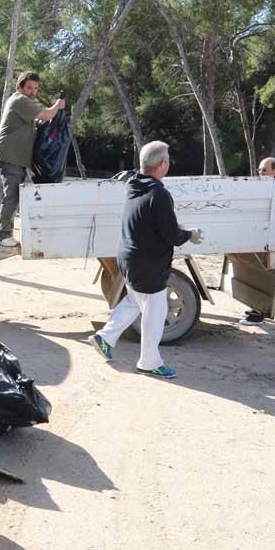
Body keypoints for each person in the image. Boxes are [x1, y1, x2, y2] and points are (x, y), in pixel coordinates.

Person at [88, 141, 202, 378]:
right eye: (167, 159)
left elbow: (150, 220)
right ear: (163, 164)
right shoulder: (159, 193)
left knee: (133, 302)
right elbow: (171, 235)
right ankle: (149, 362)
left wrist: (172, 226)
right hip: (148, 264)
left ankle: (104, 338)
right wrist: (189, 234)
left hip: (129, 258)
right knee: (155, 312)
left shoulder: (133, 185)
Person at [0, 71, 66, 247]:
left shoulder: (23, 103)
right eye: (29, 87)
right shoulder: (20, 100)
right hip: (11, 157)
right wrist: (58, 105)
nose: (33, 92)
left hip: (15, 157)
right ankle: (1, 235)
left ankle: (4, 233)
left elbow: (39, 122)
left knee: (14, 195)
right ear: (20, 87)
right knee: (11, 196)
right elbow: (47, 115)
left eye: (35, 88)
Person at [241, 156, 275, 324]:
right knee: (256, 270)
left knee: (266, 272)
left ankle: (260, 312)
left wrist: (271, 190)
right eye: (259, 170)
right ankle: (256, 307)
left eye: (264, 170)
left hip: (271, 237)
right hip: (257, 235)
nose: (260, 173)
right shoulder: (260, 185)